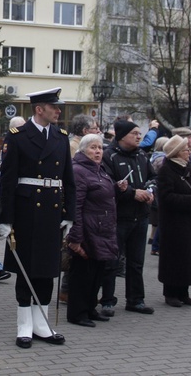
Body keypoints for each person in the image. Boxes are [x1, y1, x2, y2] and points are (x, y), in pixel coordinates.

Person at [0, 87, 75, 349]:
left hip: (52, 210)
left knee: (47, 268)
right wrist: (5, 219)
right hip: (26, 211)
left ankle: (42, 323)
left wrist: (70, 213)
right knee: (26, 270)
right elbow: (7, 182)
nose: (58, 111)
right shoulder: (18, 136)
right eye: (54, 107)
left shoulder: (61, 137)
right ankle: (24, 326)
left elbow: (69, 180)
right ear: (39, 109)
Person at [101, 120, 157, 315]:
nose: (139, 136)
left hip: (140, 216)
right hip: (119, 217)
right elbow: (109, 185)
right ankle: (107, 300)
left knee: (136, 261)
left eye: (139, 133)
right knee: (112, 261)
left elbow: (153, 177)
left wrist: (150, 191)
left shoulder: (142, 155)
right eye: (134, 133)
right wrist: (133, 193)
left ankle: (135, 300)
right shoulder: (110, 156)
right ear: (122, 135)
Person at [66, 133, 118, 327]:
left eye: (100, 148)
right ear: (83, 150)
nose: (98, 151)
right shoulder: (79, 170)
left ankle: (90, 308)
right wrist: (76, 238)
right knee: (83, 274)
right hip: (87, 231)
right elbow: (75, 206)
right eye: (93, 148)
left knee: (96, 272)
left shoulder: (99, 169)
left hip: (102, 230)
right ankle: (77, 313)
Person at [156, 135, 191, 308]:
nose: (189, 153)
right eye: (186, 150)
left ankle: (184, 292)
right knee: (175, 258)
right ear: (177, 152)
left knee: (188, 257)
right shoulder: (166, 170)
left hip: (190, 220)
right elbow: (166, 197)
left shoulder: (188, 167)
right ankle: (170, 293)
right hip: (174, 222)